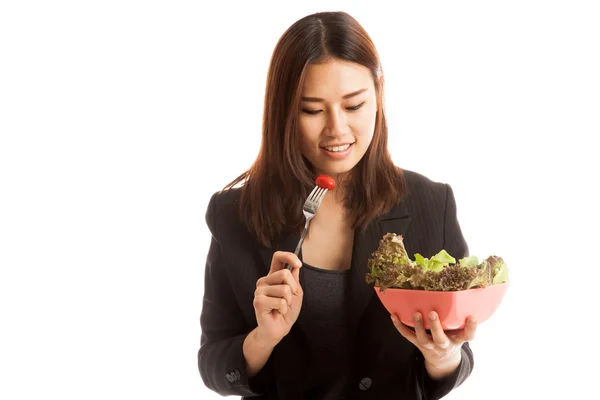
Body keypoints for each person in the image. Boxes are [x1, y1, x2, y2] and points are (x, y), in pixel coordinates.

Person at [198, 10, 477, 400]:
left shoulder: (432, 203)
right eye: (312, 110)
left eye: (354, 105)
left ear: (378, 98)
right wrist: (263, 338)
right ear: (283, 113)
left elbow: (455, 352)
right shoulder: (234, 213)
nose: (337, 130)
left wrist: (443, 355)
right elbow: (212, 361)